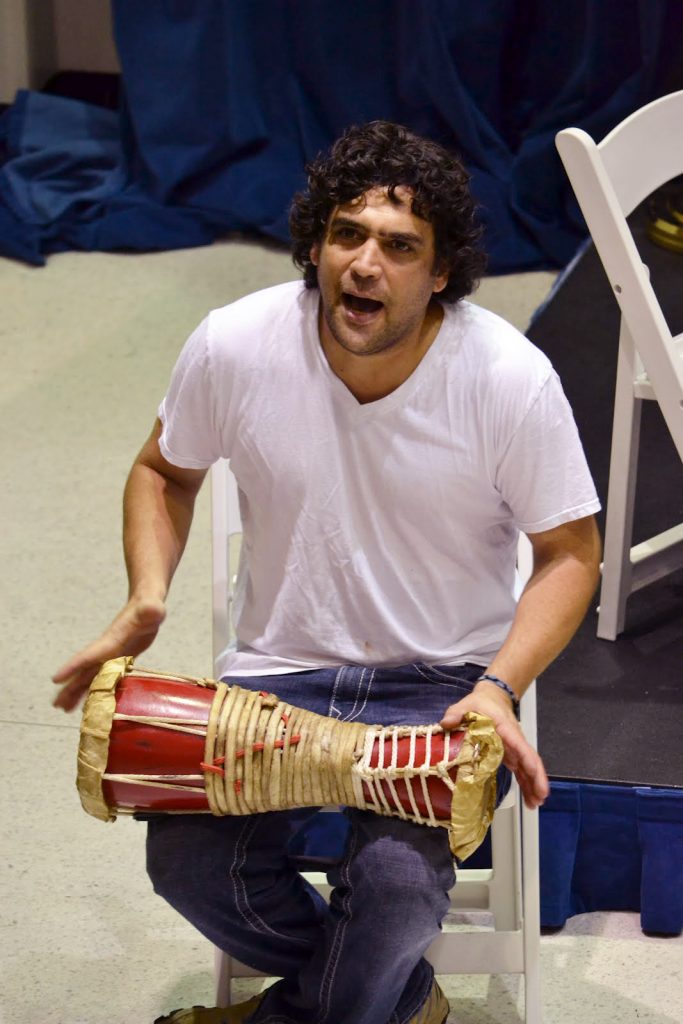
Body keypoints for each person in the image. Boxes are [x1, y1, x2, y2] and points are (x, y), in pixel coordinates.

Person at [53, 121, 602, 1024]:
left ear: (439, 273)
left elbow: (567, 553)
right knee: (185, 864)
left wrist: (501, 685)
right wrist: (145, 596)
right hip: (278, 676)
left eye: (399, 246)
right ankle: (396, 1000)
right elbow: (164, 469)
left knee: (392, 887)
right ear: (313, 242)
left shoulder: (508, 377)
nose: (365, 264)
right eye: (347, 233)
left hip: (442, 687)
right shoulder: (236, 343)